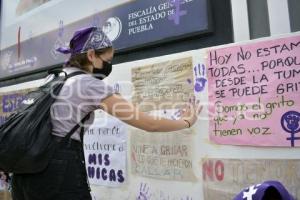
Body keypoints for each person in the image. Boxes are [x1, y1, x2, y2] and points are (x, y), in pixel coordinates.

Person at [11, 26, 202, 200]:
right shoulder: (87, 84)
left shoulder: (53, 78)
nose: (109, 66)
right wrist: (186, 122)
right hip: (56, 174)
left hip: (25, 174)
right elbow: (148, 123)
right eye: (108, 60)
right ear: (92, 55)